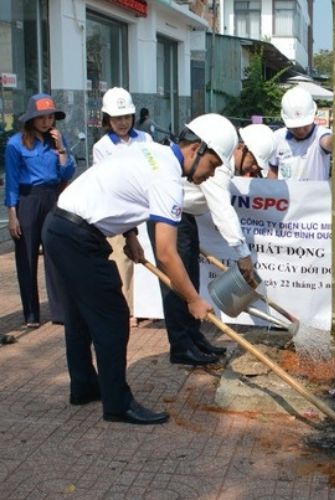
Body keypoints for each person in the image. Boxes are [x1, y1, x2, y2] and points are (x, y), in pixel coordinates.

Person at [41, 113, 238, 425]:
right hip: (78, 237)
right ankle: (117, 403)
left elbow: (120, 186)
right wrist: (193, 300)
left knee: (79, 316)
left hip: (59, 226)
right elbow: (167, 253)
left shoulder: (153, 151)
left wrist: (130, 234)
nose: (211, 174)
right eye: (212, 165)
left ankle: (84, 387)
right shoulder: (169, 179)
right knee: (113, 318)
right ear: (196, 149)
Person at [148, 123, 276, 366]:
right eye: (253, 163)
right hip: (170, 218)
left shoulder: (220, 159)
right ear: (241, 148)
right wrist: (243, 256)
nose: (252, 170)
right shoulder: (219, 163)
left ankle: (194, 338)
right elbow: (222, 211)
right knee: (177, 285)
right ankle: (181, 347)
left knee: (191, 282)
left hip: (185, 217)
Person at [4, 93, 75, 328]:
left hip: (53, 197)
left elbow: (66, 174)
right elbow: (12, 181)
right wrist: (12, 213)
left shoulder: (55, 140)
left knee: (56, 253)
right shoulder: (15, 144)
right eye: (41, 117)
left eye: (51, 117)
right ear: (31, 118)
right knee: (27, 257)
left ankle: (60, 310)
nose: (47, 122)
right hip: (27, 200)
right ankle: (31, 313)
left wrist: (62, 149)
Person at [92, 87, 153, 329]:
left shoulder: (145, 140)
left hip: (145, 206)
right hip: (118, 210)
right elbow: (105, 182)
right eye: (117, 118)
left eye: (126, 117)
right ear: (108, 119)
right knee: (123, 259)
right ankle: (128, 308)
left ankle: (148, 305)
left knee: (147, 255)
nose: (123, 122)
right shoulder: (102, 147)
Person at [267, 86, 335, 180]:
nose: (301, 130)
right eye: (295, 127)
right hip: (285, 194)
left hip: (315, 194)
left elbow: (331, 144)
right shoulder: (278, 137)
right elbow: (273, 171)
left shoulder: (320, 134)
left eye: (305, 125)